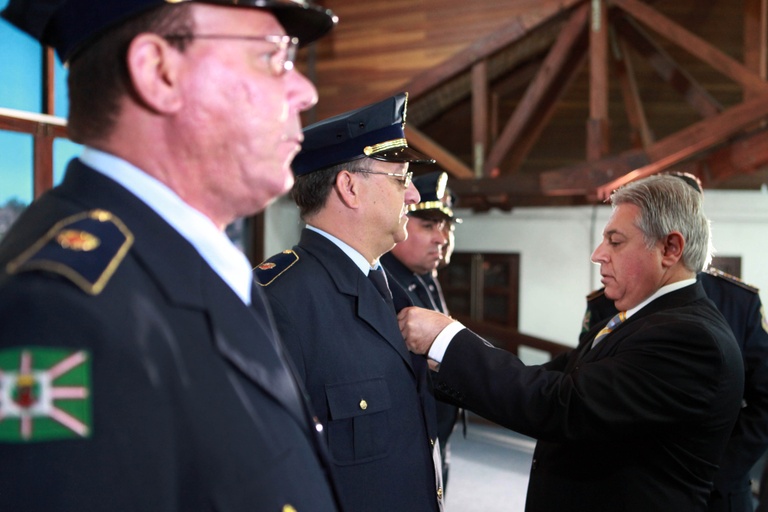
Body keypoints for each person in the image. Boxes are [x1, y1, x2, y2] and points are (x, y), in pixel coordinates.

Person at [0, 1, 343, 511]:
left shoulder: (183, 265)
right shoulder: (62, 312)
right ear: (159, 73)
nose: (305, 90)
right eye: (272, 56)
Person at [399, 174, 745, 511]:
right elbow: (547, 378)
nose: (598, 254)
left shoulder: (690, 339)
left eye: (616, 241)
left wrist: (447, 339)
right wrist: (444, 361)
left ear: (670, 248)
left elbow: (561, 405)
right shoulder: (642, 319)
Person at [255, 93, 444, 512]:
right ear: (350, 187)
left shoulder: (389, 288)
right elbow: (269, 471)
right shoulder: (278, 300)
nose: (413, 195)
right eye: (400, 178)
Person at [580, 173, 768, 512]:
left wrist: (718, 468)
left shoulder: (738, 301)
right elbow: (584, 374)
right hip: (634, 481)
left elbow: (765, 398)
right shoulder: (610, 297)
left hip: (720, 487)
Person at [380, 170, 460, 490]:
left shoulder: (426, 277)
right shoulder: (384, 281)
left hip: (436, 434)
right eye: (428, 225)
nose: (441, 238)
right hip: (405, 440)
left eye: (445, 226)